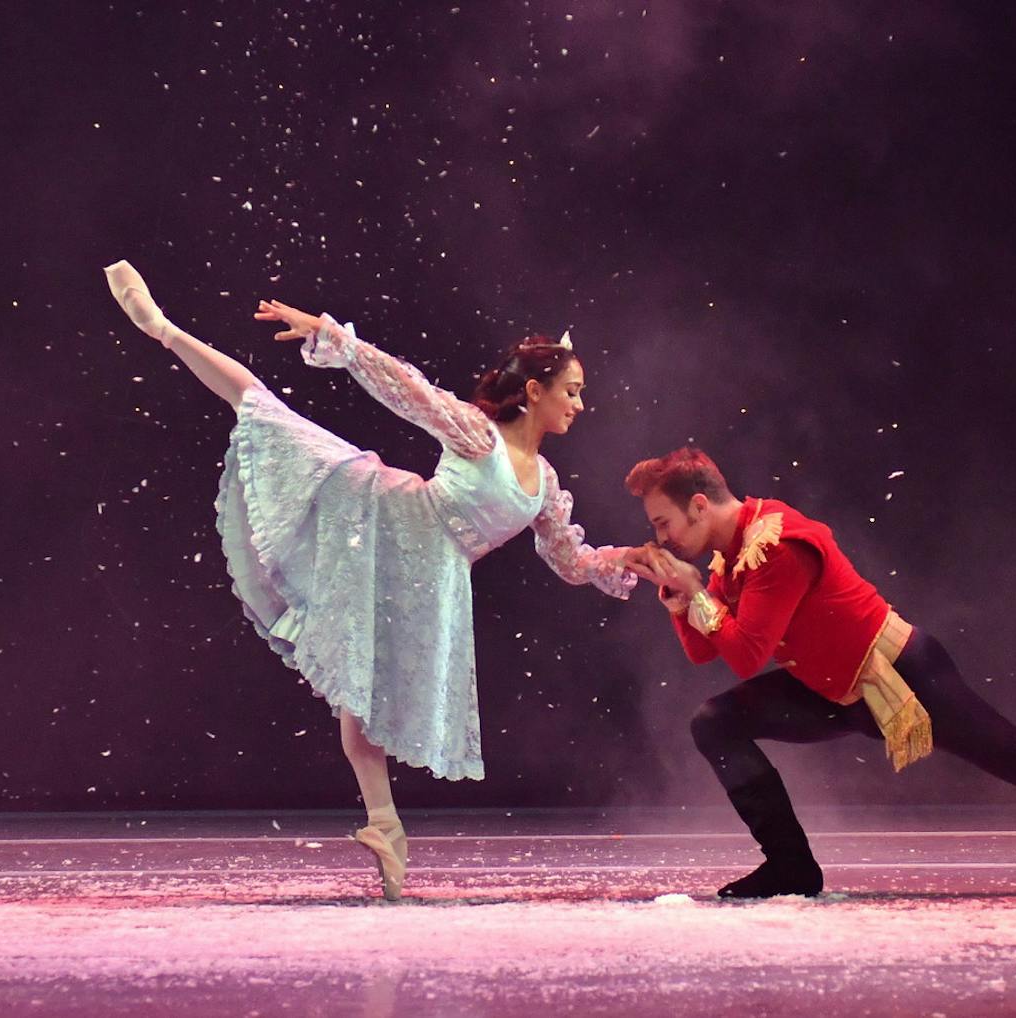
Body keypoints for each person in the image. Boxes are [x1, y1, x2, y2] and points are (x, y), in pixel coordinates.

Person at [105, 260, 643, 900]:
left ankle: (385, 825)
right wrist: (333, 337)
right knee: (268, 413)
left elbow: (571, 562)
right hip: (388, 522)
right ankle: (164, 328)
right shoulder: (480, 436)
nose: (580, 405)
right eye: (572, 390)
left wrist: (631, 560)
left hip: (435, 579)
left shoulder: (548, 486)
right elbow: (404, 386)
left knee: (361, 693)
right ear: (534, 392)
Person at [625, 447, 1016, 899]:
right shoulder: (728, 557)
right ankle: (791, 867)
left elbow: (741, 652)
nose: (661, 535)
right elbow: (708, 652)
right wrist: (682, 601)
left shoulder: (776, 545)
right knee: (716, 723)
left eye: (662, 523)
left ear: (700, 504)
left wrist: (697, 596)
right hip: (830, 690)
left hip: (902, 678)